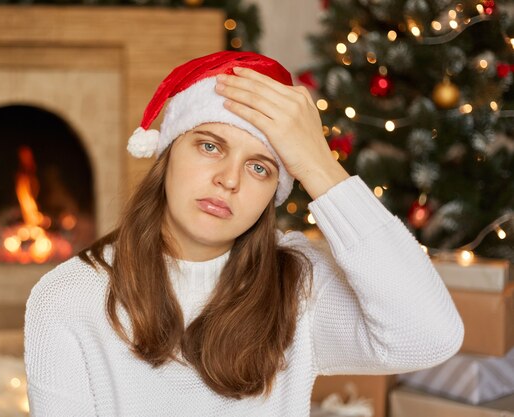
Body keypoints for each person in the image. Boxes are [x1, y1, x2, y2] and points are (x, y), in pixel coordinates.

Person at [24, 51, 464, 416]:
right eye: (210, 145)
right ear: (166, 154)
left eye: (259, 167)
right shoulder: (66, 298)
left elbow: (428, 337)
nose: (229, 180)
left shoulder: (299, 286)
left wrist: (319, 165)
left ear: (274, 191)